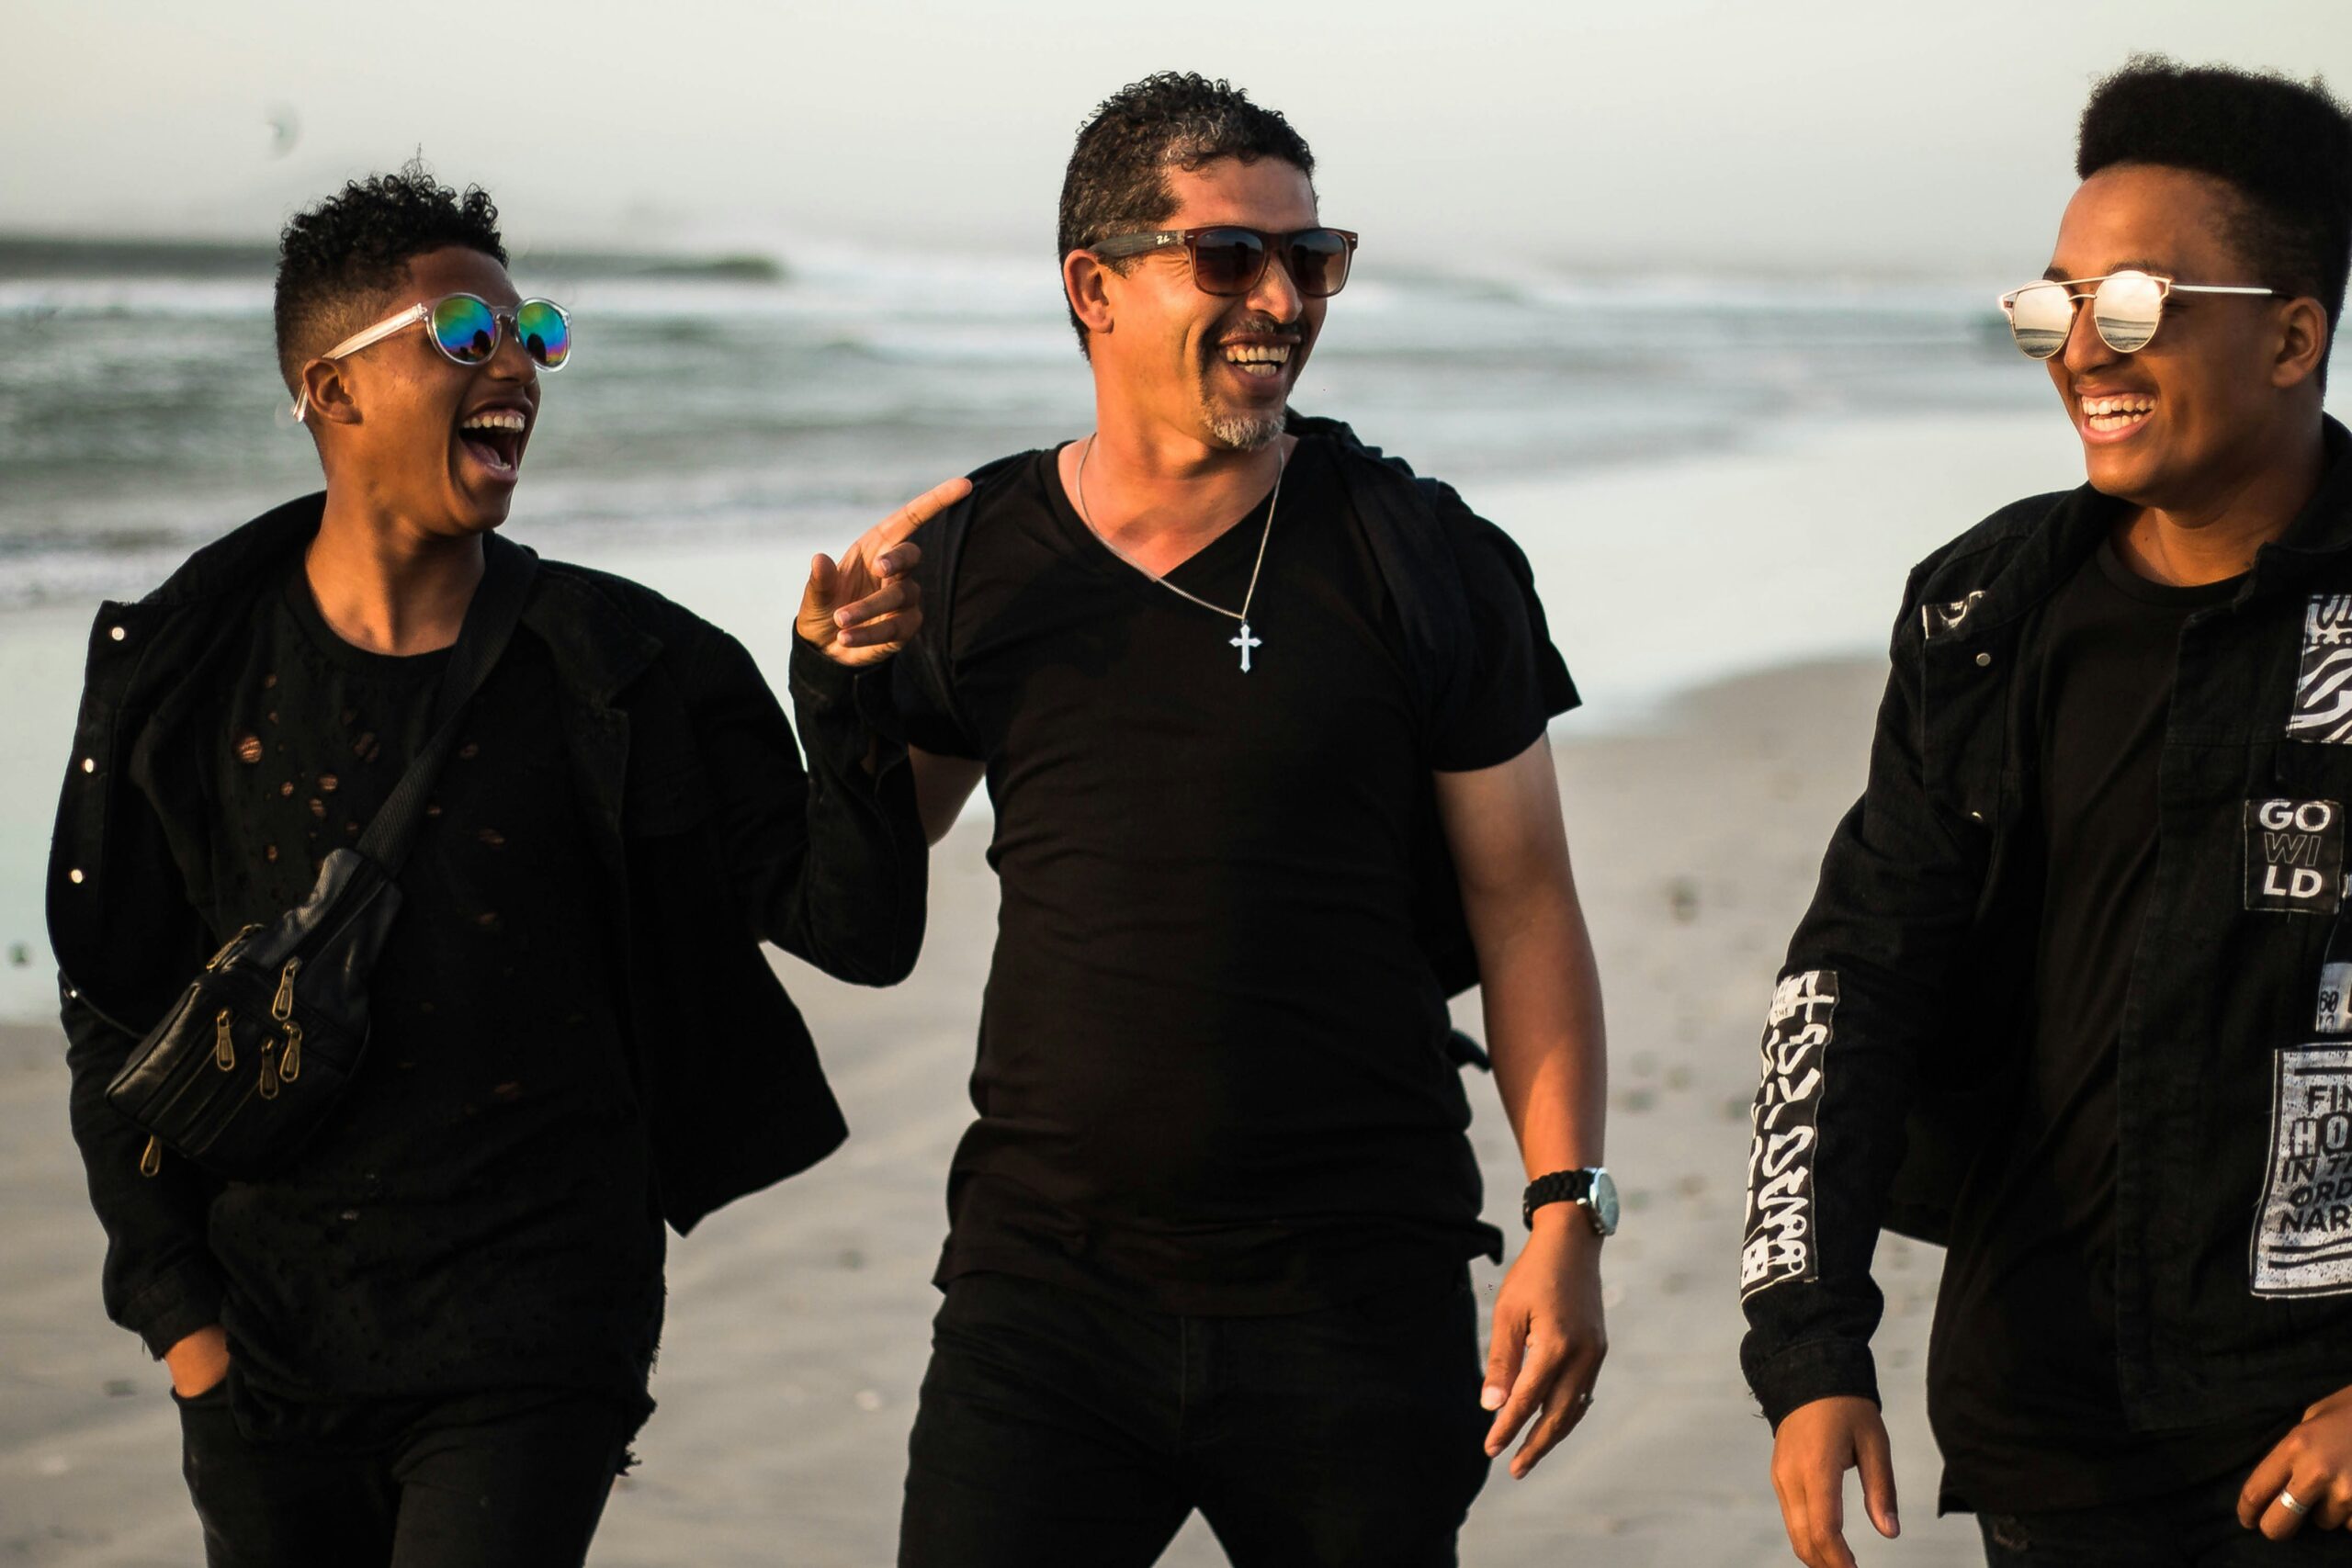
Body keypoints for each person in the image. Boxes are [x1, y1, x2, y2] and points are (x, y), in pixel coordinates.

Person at [49, 163, 958, 1567]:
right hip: (269, 1344)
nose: (519, 368)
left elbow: (861, 926)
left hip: (538, 1331)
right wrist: (185, 1332)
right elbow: (113, 1009)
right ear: (330, 391)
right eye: (467, 338)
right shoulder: (188, 673)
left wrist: (843, 695)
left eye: (532, 333)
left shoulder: (628, 668)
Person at [888, 73, 1610, 1567]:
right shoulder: (978, 564)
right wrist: (836, 689)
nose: (1283, 298)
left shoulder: (1423, 556)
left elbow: (1525, 900)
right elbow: (858, 887)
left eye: (1313, 257)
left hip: (1354, 1294)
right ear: (1095, 288)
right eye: (1231, 258)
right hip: (1043, 1299)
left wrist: (1566, 1215)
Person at [1741, 57, 2352, 1568]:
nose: (2082, 350)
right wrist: (1809, 1344)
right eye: (2053, 305)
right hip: (2051, 1433)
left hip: (2313, 1438)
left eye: (2136, 304)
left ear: (2292, 336)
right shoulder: (1983, 614)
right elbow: (1857, 970)